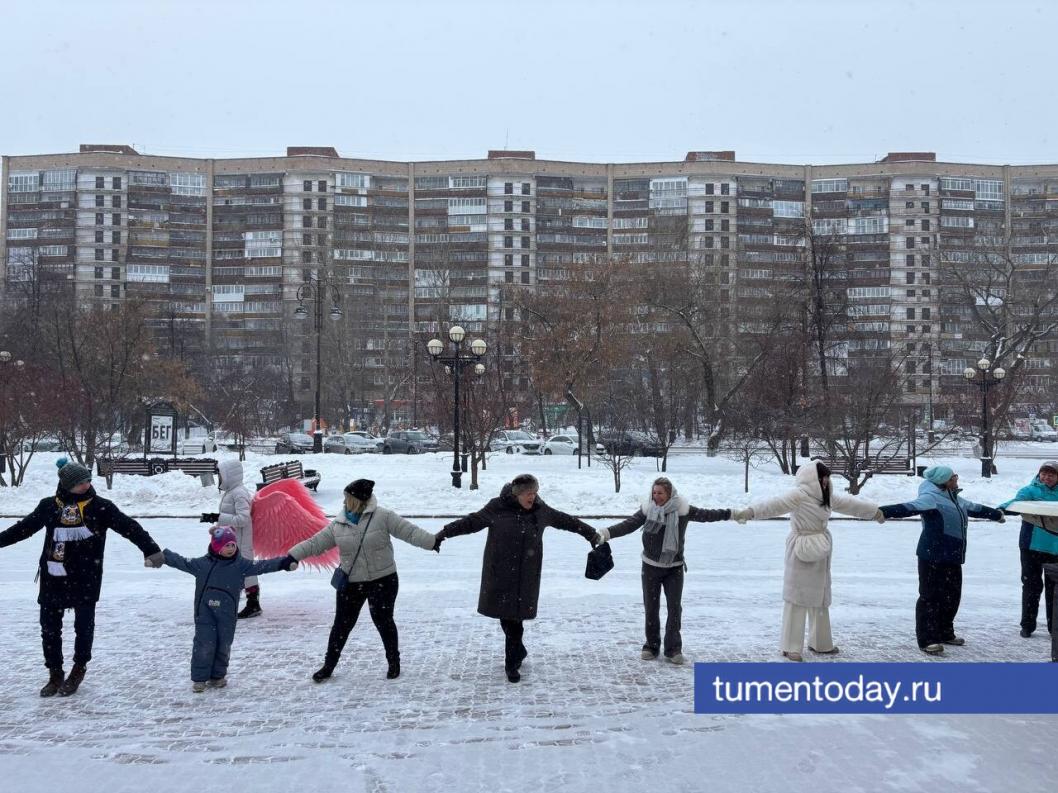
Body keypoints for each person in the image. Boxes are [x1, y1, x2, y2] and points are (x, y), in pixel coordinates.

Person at [0, 458, 165, 697]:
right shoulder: (49, 506)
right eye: (80, 483)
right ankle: (55, 673)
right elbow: (23, 529)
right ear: (67, 485)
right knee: (49, 629)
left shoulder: (101, 507)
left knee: (83, 627)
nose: (86, 485)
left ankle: (79, 668)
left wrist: (151, 549)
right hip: (53, 576)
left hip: (85, 577)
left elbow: (130, 527)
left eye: (88, 480)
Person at [435, 473, 602, 683]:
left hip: (526, 574)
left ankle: (511, 664)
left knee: (515, 620)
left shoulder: (541, 511)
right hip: (500, 572)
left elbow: (566, 520)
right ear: (517, 494)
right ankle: (518, 652)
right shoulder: (497, 508)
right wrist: (444, 533)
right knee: (506, 617)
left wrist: (591, 534)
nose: (532, 497)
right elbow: (471, 522)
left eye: (534, 493)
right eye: (527, 494)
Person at [732, 460, 883, 662]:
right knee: (797, 599)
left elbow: (850, 505)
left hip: (820, 549)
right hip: (801, 548)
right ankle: (790, 646)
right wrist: (748, 512)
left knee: (819, 599)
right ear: (813, 478)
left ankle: (821, 643)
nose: (826, 480)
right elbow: (773, 505)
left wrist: (875, 512)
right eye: (823, 477)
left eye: (828, 477)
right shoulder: (799, 495)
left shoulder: (827, 496)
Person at [288, 479, 438, 682]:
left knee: (383, 622)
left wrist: (432, 542)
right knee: (341, 625)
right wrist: (293, 555)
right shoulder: (339, 524)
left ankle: (394, 662)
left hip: (383, 579)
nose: (344, 501)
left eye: (348, 497)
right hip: (351, 582)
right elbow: (316, 543)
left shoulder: (383, 516)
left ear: (358, 499)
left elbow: (409, 531)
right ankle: (328, 666)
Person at [598, 476, 731, 664]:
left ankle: (673, 649)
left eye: (660, 493)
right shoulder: (648, 510)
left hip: (674, 568)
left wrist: (731, 514)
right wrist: (606, 533)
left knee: (674, 609)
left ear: (669, 494)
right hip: (650, 567)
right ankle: (651, 646)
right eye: (654, 492)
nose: (656, 496)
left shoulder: (683, 510)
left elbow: (708, 515)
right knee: (651, 608)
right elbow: (628, 525)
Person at [880, 465, 1005, 655]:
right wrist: (881, 512)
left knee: (951, 597)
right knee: (929, 597)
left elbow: (975, 508)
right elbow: (908, 507)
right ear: (944, 481)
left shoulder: (955, 498)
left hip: (953, 556)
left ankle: (945, 632)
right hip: (932, 556)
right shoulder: (930, 498)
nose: (957, 478)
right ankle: (928, 639)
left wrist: (997, 514)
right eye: (953, 476)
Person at [158, 525, 298, 692]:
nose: (231, 549)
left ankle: (217, 676)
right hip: (205, 613)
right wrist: (161, 556)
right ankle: (200, 678)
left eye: (233, 545)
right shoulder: (202, 564)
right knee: (204, 643)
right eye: (226, 546)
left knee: (224, 643)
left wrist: (283, 562)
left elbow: (262, 565)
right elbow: (181, 562)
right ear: (217, 547)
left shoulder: (240, 565)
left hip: (227, 614)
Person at [998, 461, 1058, 637]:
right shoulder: (1030, 490)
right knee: (1031, 586)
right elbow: (1016, 503)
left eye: (1051, 474)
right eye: (1043, 473)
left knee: (1054, 589)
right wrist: (1001, 510)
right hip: (1030, 546)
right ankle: (1027, 625)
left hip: (1055, 548)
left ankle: (1053, 627)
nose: (1046, 477)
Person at [200, 459, 261, 619]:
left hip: (240, 542)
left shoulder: (239, 493)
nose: (219, 477)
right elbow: (231, 518)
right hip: (232, 541)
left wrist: (218, 516)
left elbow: (243, 519)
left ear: (229, 475)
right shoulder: (231, 492)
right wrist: (216, 522)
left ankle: (253, 604)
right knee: (232, 572)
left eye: (220, 474)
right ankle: (241, 603)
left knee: (245, 572)